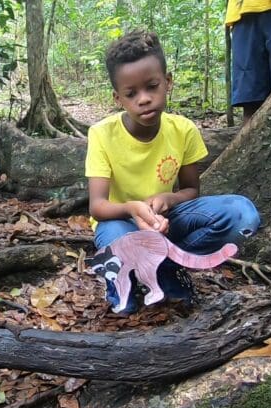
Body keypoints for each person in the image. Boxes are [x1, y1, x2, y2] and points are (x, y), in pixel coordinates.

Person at [85, 30, 260, 314]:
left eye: (151, 86)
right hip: (123, 226)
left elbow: (191, 191)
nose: (143, 99)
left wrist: (169, 198)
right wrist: (132, 208)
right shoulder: (102, 134)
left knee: (242, 214)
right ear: (118, 98)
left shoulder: (184, 130)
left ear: (167, 82)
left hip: (168, 224)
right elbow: (98, 207)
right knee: (125, 301)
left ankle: (167, 267)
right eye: (132, 93)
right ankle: (122, 279)